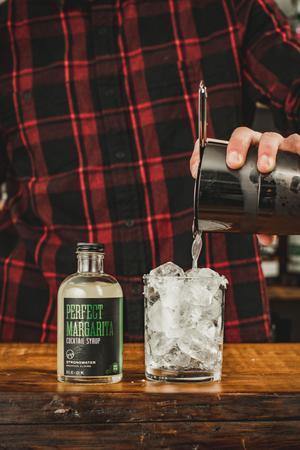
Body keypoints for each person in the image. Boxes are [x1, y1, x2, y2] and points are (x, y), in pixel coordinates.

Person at [0, 0, 299, 342]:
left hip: (210, 339)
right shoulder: (9, 31)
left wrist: (288, 155)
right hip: (50, 339)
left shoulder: (227, 7)